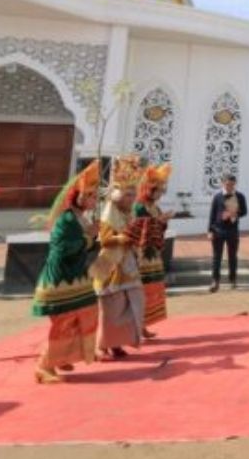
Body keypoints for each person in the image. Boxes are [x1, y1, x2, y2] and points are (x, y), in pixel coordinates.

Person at [31, 160, 102, 383]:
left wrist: (92, 236)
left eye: (94, 195)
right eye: (90, 195)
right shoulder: (66, 220)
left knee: (85, 315)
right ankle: (44, 366)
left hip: (77, 277)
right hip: (61, 278)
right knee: (64, 322)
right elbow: (62, 248)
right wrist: (88, 236)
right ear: (77, 196)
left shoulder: (82, 218)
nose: (93, 200)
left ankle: (63, 357)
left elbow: (87, 245)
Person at [91, 166, 146, 360]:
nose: (132, 199)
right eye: (128, 195)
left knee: (125, 307)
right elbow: (105, 240)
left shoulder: (126, 214)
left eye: (133, 195)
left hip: (127, 265)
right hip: (110, 266)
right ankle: (100, 347)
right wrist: (123, 238)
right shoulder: (108, 215)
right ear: (118, 196)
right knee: (109, 310)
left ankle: (116, 344)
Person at [128, 163, 173, 337]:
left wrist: (162, 221)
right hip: (141, 254)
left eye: (162, 191)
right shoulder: (139, 207)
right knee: (141, 290)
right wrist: (160, 220)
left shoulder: (154, 206)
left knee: (152, 289)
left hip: (153, 253)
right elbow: (140, 228)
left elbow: (158, 227)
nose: (160, 194)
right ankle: (136, 326)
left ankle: (144, 325)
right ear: (149, 189)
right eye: (158, 191)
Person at [208, 174, 247, 292]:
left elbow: (244, 211)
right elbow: (212, 214)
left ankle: (233, 279)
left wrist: (234, 214)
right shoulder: (217, 197)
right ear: (223, 183)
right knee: (216, 257)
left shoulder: (239, 196)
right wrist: (210, 230)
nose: (230, 186)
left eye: (232, 184)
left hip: (232, 230)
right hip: (218, 230)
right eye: (227, 184)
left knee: (232, 256)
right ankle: (215, 281)